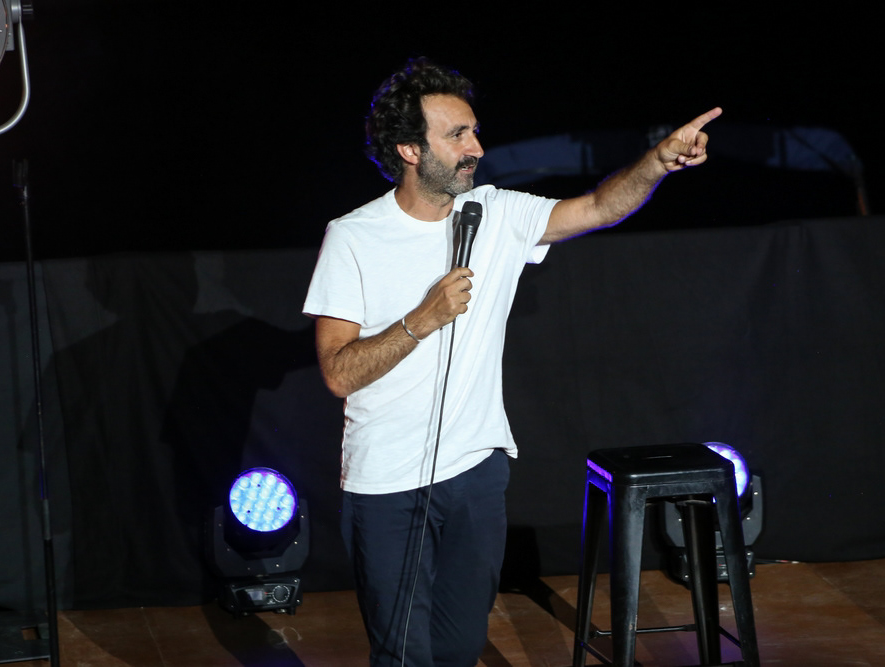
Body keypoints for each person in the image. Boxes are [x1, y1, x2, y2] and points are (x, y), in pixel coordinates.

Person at [303, 57, 720, 667]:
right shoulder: (353, 237)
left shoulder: (494, 211)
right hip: (386, 484)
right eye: (457, 135)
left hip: (476, 473)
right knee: (404, 655)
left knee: (459, 646)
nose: (476, 148)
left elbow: (599, 206)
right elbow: (339, 373)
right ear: (410, 150)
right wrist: (421, 320)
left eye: (474, 131)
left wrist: (655, 162)